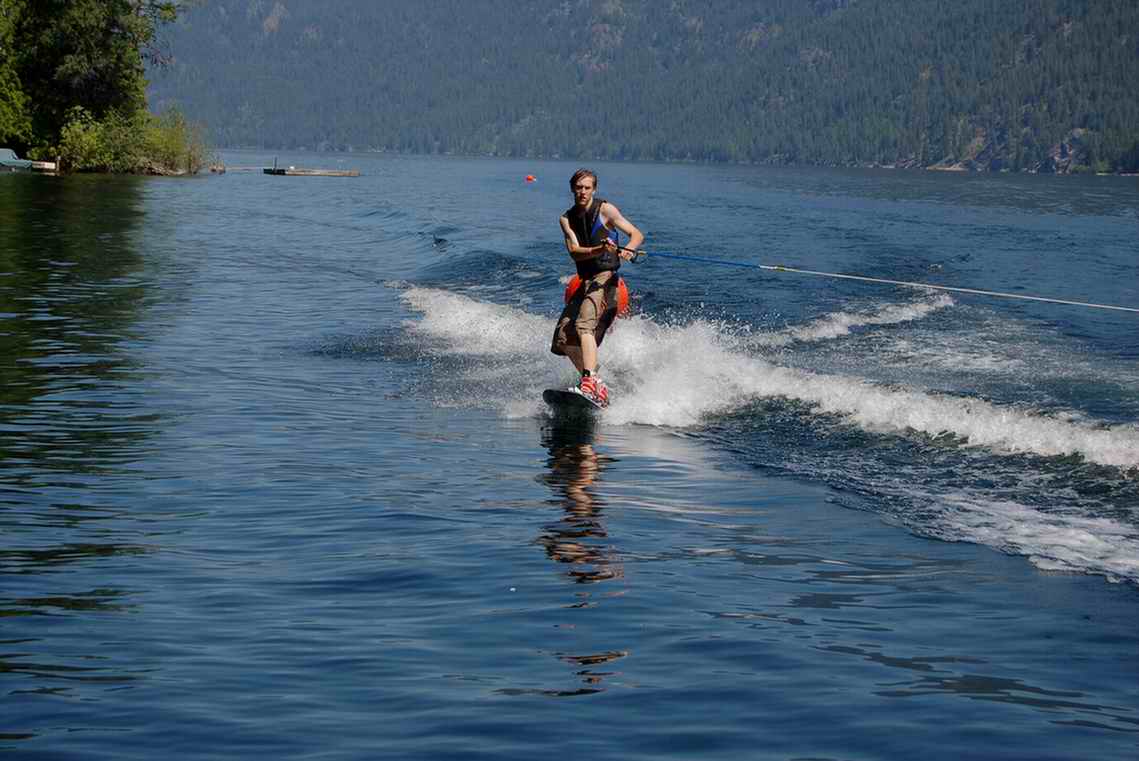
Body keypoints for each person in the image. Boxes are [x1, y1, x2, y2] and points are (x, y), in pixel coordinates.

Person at [550, 169, 644, 407]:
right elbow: (574, 251)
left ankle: (589, 381)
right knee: (562, 339)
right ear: (573, 189)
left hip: (606, 278)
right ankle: (597, 382)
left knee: (583, 325)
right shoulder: (566, 218)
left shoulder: (606, 210)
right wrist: (599, 250)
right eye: (579, 188)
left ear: (594, 189)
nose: (582, 192)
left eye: (587, 188)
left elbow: (636, 234)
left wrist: (627, 249)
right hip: (585, 279)